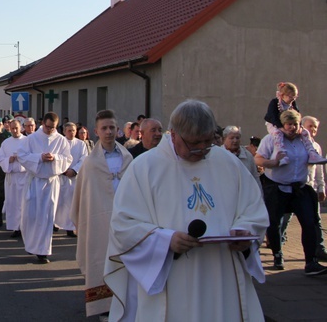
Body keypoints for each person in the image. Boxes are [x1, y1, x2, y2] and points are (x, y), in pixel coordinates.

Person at [104, 100, 269, 321]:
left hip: (223, 275)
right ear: (173, 135)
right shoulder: (145, 168)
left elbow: (253, 208)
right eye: (193, 144)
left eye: (207, 142)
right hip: (171, 276)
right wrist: (165, 240)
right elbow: (123, 224)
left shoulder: (228, 163)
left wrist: (244, 231)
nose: (201, 150)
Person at [71, 109, 133, 318]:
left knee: (126, 265)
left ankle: (127, 306)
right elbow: (82, 198)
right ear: (96, 131)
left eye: (112, 128)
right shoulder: (90, 164)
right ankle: (104, 309)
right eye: (104, 128)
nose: (108, 132)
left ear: (118, 130)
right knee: (101, 262)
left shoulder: (128, 159)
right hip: (99, 224)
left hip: (125, 222)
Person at [255, 109, 327, 274]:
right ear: (282, 125)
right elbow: (257, 159)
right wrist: (274, 162)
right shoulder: (271, 139)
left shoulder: (306, 140)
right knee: (274, 224)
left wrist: (320, 185)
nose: (292, 128)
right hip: (277, 187)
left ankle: (311, 262)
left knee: (309, 223)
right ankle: (277, 254)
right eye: (289, 124)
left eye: (295, 124)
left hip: (299, 187)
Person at [19, 111, 72, 263]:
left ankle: (42, 251)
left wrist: (55, 158)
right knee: (31, 216)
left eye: (53, 128)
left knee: (47, 217)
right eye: (48, 127)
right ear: (43, 123)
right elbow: (22, 156)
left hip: (51, 182)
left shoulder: (61, 140)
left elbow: (68, 158)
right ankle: (31, 245)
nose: (50, 130)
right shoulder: (32, 138)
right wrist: (39, 158)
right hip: (34, 182)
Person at [264, 81, 324, 163]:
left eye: (295, 97)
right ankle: (282, 155)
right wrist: (281, 128)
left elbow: (297, 115)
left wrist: (299, 127)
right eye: (290, 96)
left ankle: (312, 154)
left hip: (289, 125)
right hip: (275, 124)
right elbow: (272, 116)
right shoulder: (275, 102)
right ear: (282, 95)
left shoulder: (292, 104)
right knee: (277, 134)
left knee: (305, 133)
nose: (293, 99)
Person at [0, 119, 30, 238]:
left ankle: (25, 226)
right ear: (9, 129)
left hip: (24, 176)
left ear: (21, 127)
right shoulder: (6, 143)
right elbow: (0, 159)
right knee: (13, 203)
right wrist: (8, 160)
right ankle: (16, 228)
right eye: (12, 128)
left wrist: (22, 159)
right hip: (12, 176)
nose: (15, 131)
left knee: (23, 202)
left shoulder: (27, 141)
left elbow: (31, 157)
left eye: (16, 128)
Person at [55, 122, 89, 237]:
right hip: (61, 177)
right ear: (64, 131)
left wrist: (74, 170)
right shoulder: (59, 143)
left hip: (74, 178)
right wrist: (64, 170)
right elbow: (56, 157)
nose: (72, 133)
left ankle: (70, 228)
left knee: (72, 203)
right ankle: (55, 224)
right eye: (69, 130)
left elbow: (84, 158)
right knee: (59, 202)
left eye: (74, 130)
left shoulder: (80, 144)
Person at [302, 116, 327, 261]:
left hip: (311, 188)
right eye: (310, 126)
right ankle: (277, 246)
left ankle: (320, 249)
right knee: (283, 220)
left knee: (315, 220)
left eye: (315, 127)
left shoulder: (316, 147)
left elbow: (319, 170)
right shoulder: (298, 143)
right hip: (296, 187)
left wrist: (321, 187)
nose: (313, 129)